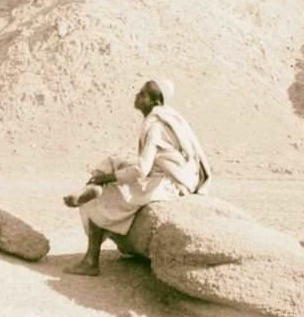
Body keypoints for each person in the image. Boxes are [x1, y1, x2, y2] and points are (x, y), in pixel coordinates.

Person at [63, 78, 211, 276]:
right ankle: (93, 186)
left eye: (142, 94)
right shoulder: (166, 118)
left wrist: (109, 179)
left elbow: (142, 170)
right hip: (168, 173)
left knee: (100, 202)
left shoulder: (156, 126)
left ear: (155, 101)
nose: (137, 96)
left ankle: (91, 261)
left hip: (168, 183)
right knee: (113, 161)